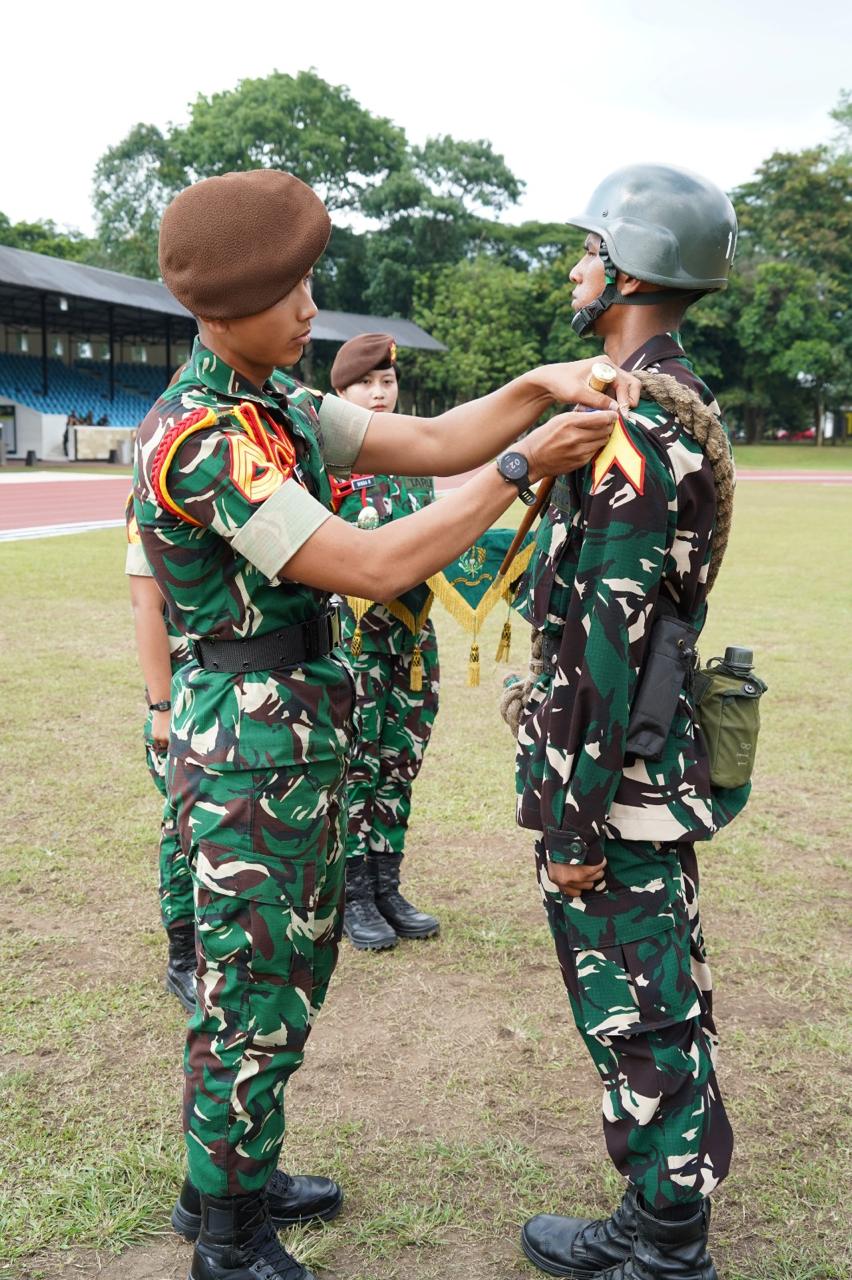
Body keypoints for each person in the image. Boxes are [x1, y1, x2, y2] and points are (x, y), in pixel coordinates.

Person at [134, 167, 638, 1280]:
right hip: (248, 748)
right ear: (224, 307)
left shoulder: (274, 400)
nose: (313, 307)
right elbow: (371, 559)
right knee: (251, 992)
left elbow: (435, 438)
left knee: (287, 974)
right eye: (292, 289)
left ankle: (229, 1176)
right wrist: (525, 464)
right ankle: (226, 1234)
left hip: (295, 736)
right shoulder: (203, 437)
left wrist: (531, 388)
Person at [512, 164, 744, 1280]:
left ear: (631, 267)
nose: (574, 264)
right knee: (655, 991)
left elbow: (604, 644)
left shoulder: (634, 426)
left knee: (640, 1005)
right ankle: (660, 1219)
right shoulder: (661, 400)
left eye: (587, 244)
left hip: (614, 781)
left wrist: (568, 820)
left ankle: (664, 1244)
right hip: (640, 765)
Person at [329, 332, 440, 951]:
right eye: (365, 384)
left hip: (412, 646)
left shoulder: (412, 459)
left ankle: (386, 883)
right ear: (340, 392)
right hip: (353, 647)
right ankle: (352, 895)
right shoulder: (326, 459)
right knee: (356, 768)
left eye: (387, 382)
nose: (378, 393)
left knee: (399, 764)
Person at [125, 492, 196, 1012]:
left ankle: (215, 950)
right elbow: (145, 606)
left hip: (236, 677)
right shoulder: (155, 487)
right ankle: (183, 961)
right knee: (182, 824)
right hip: (184, 686)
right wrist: (162, 707)